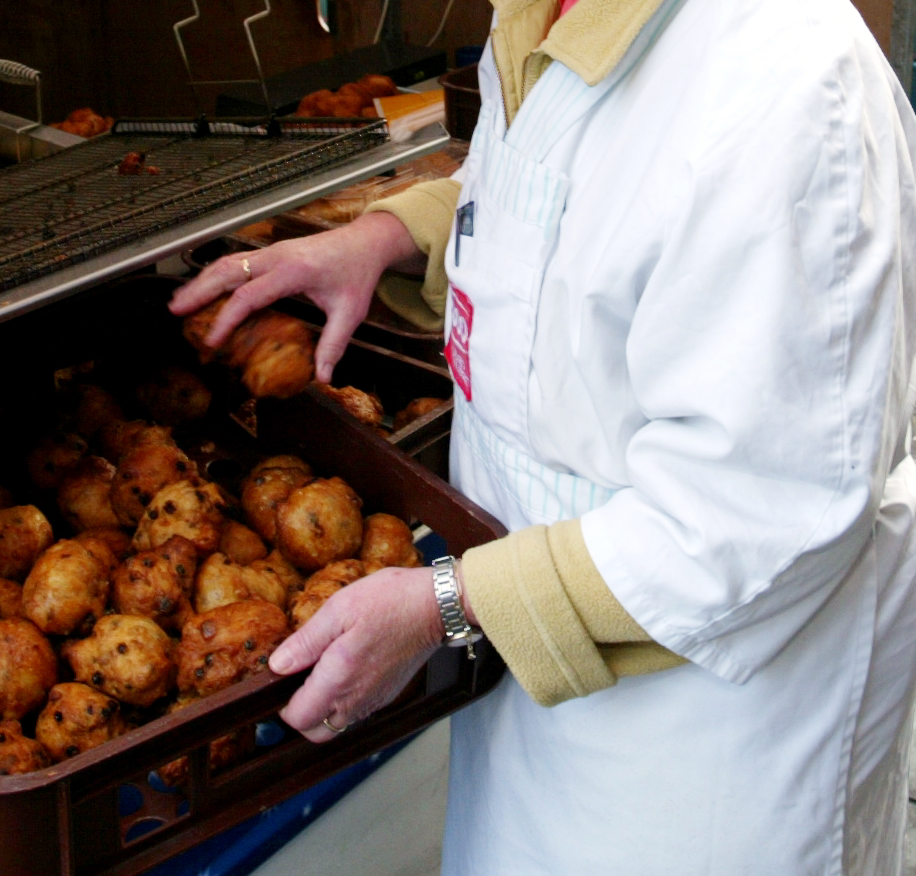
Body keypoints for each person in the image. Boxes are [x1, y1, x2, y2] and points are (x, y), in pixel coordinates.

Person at [172, 0, 916, 872]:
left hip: (705, 734)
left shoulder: (784, 84)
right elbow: (568, 194)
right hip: (530, 661)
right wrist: (389, 237)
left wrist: (445, 606)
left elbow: (762, 511)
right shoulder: (542, 10)